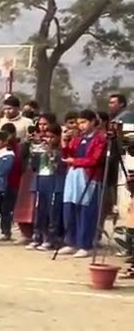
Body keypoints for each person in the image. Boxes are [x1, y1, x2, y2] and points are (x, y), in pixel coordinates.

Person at [59, 109, 107, 257]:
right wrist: (65, 141)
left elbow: (95, 160)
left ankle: (85, 244)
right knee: (69, 207)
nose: (81, 126)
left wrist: (76, 161)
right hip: (73, 175)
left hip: (88, 176)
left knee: (86, 210)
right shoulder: (78, 138)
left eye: (84, 122)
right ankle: (71, 241)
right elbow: (67, 154)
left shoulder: (100, 138)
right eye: (79, 123)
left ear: (93, 122)